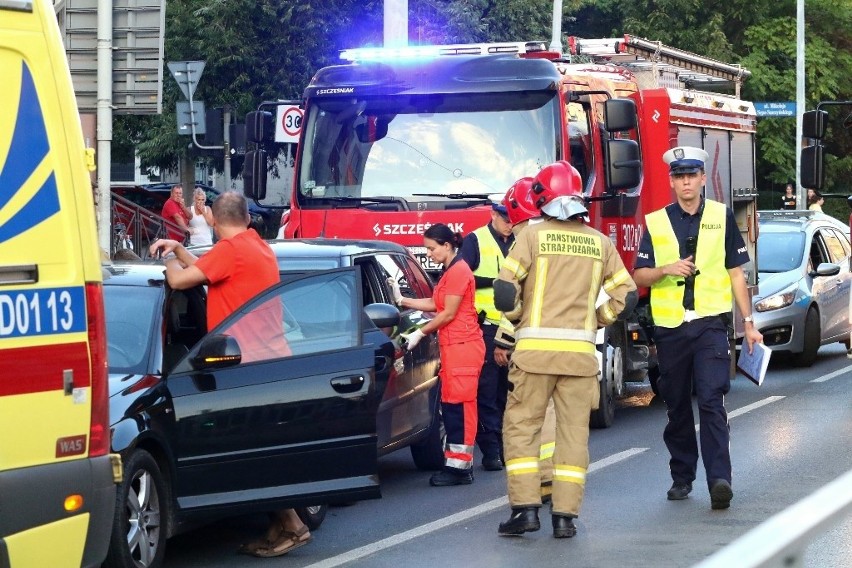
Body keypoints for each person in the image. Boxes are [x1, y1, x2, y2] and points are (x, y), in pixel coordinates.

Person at [148, 192, 308, 558]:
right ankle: (277, 526)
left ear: (214, 223)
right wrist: (181, 249)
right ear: (247, 219)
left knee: (252, 453)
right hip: (269, 360)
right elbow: (210, 272)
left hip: (244, 366)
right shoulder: (256, 246)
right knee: (262, 448)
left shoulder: (231, 248)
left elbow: (180, 282)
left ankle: (294, 525)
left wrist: (169, 258)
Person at [493, 161, 637, 538]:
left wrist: (519, 318)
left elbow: (505, 291)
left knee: (522, 430)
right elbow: (627, 294)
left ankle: (525, 511)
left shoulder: (531, 237)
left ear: (541, 197)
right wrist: (597, 319)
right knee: (574, 436)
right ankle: (565, 518)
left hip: (534, 358)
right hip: (579, 358)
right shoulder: (600, 242)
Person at [633, 146, 763, 511]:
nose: (686, 181)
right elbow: (639, 274)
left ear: (703, 179)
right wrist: (666, 269)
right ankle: (682, 476)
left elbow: (737, 274)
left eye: (692, 175)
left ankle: (720, 479)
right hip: (671, 328)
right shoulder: (656, 222)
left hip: (710, 325)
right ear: (672, 182)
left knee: (711, 401)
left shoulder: (721, 217)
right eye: (679, 176)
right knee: (676, 405)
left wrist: (748, 324)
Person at [389, 224, 485, 486]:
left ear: (446, 245)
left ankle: (460, 469)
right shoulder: (451, 270)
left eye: (431, 248)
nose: (429, 253)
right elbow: (435, 303)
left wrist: (420, 332)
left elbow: (448, 313)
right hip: (457, 348)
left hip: (463, 347)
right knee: (453, 406)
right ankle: (457, 465)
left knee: (460, 409)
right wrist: (403, 301)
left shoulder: (458, 271)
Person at [458, 199, 515, 471]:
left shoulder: (521, 239)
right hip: (487, 328)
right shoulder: (475, 241)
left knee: (512, 390)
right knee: (487, 391)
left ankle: (508, 445)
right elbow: (459, 277)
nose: (510, 223)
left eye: (513, 218)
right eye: (505, 218)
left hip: (517, 326)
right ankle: (492, 449)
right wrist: (496, 283)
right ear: (493, 215)